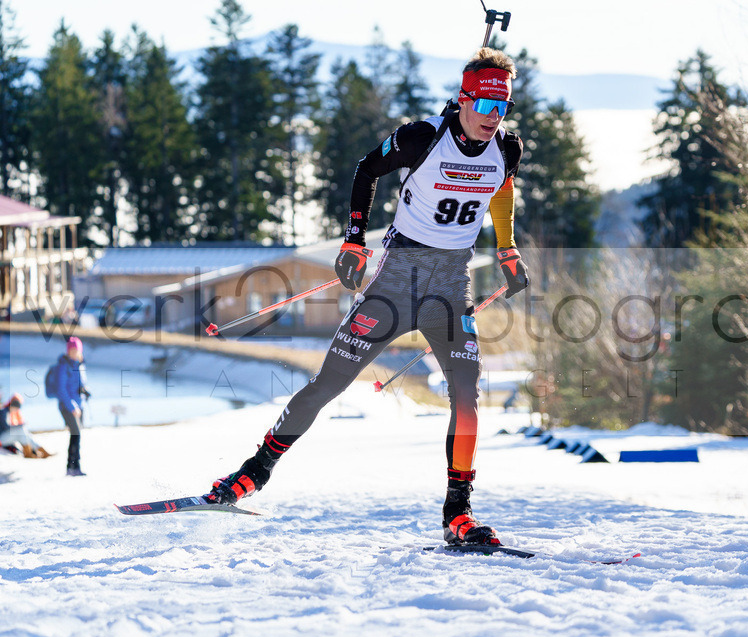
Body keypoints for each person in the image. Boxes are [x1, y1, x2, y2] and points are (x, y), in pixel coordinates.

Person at [205, 47, 529, 546]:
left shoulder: (507, 148)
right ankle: (252, 472)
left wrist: (506, 250)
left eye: (501, 108)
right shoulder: (422, 138)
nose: (492, 118)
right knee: (328, 384)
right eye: (484, 106)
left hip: (449, 288)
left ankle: (458, 513)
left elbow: (502, 189)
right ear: (463, 100)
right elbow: (365, 169)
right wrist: (354, 240)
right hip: (395, 284)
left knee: (467, 395)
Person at [54, 337, 90, 476]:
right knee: (76, 433)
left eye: (77, 350)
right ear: (68, 351)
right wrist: (72, 407)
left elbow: (82, 384)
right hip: (67, 406)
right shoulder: (63, 366)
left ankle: (75, 467)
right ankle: (72, 467)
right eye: (72, 350)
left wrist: (85, 391)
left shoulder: (80, 365)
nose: (75, 353)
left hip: (79, 406)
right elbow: (61, 389)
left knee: (76, 435)